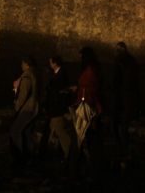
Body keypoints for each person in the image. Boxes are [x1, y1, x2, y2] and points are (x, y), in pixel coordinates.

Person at [42, 55, 77, 168]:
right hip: (55, 108)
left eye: (51, 62)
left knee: (60, 131)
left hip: (57, 108)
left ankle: (70, 155)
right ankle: (61, 153)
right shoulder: (58, 74)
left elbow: (58, 93)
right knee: (55, 130)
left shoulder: (59, 76)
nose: (49, 65)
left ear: (55, 63)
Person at [74, 46, 104, 175]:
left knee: (86, 134)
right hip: (86, 103)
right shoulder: (91, 69)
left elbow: (90, 89)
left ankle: (91, 163)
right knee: (87, 135)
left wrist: (83, 98)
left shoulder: (90, 70)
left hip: (86, 105)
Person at [113, 41, 141, 161]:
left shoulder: (122, 62)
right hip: (126, 98)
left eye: (118, 49)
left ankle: (124, 151)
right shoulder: (130, 61)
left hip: (123, 98)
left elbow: (119, 81)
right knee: (121, 126)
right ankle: (125, 149)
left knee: (121, 126)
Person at [10, 56, 39, 168]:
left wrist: (17, 108)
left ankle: (20, 157)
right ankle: (30, 157)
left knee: (15, 131)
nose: (21, 66)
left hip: (27, 108)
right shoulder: (35, 74)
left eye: (22, 64)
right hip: (33, 107)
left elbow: (23, 95)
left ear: (27, 64)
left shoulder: (27, 75)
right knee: (27, 133)